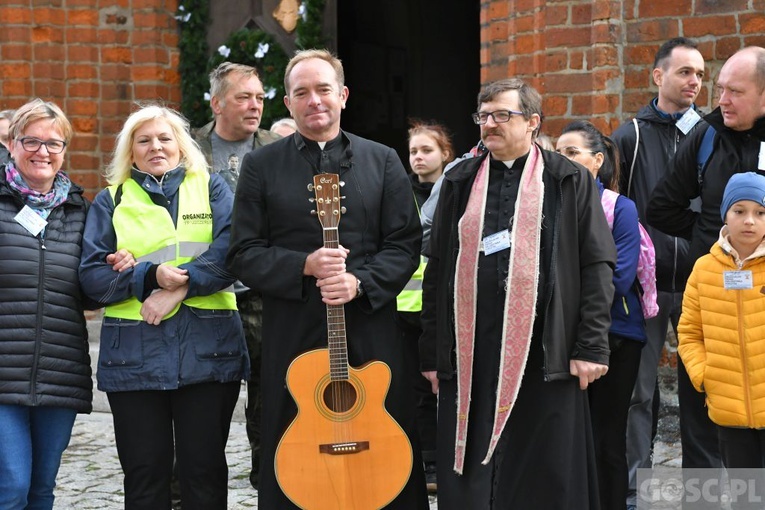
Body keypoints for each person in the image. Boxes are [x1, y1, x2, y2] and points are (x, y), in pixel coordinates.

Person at [227, 48, 429, 509]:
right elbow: (242, 252)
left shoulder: (382, 161)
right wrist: (303, 265)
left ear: (343, 95)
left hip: (371, 326)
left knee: (386, 444)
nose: (314, 100)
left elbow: (404, 243)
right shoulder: (262, 166)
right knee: (294, 447)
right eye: (302, 92)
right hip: (293, 329)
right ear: (288, 102)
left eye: (323, 90)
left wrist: (361, 282)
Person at [420, 78, 616, 509]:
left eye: (502, 115)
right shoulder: (459, 180)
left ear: (532, 122)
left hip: (547, 351)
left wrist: (591, 345)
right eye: (483, 116)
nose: (490, 124)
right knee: (471, 467)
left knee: (544, 469)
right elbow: (438, 271)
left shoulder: (569, 179)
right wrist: (434, 355)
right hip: (473, 349)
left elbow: (597, 265)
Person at [79, 105, 249, 508]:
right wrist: (150, 277)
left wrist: (178, 287)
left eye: (165, 138)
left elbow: (235, 252)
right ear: (130, 152)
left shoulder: (211, 188)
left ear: (181, 146)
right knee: (145, 476)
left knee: (204, 472)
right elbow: (92, 278)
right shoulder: (112, 200)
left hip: (208, 352)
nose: (155, 146)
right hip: (135, 358)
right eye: (144, 140)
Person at [648, 45, 765, 471]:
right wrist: (711, 241)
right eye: (720, 89)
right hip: (714, 301)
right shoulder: (708, 134)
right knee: (703, 423)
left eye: (735, 91)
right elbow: (661, 205)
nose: (721, 100)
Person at [610, 36, 706, 507]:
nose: (694, 82)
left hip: (698, 284)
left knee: (706, 391)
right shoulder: (628, 135)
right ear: (658, 76)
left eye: (700, 75)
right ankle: (634, 491)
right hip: (644, 287)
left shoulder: (710, 134)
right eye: (685, 72)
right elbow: (616, 210)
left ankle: (705, 493)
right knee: (638, 394)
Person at [0, 99, 96, 509]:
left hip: (60, 370)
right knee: (12, 487)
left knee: (42, 489)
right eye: (32, 141)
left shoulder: (80, 210)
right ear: (12, 145)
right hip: (3, 371)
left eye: (53, 144)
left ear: (64, 150)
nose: (43, 152)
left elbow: (90, 292)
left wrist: (117, 267)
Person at [193, 60, 281, 490]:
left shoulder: (278, 148)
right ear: (216, 103)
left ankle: (270, 480)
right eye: (243, 97)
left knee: (270, 396)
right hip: (207, 294)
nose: (255, 106)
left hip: (264, 293)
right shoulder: (187, 149)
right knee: (202, 399)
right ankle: (190, 487)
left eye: (260, 98)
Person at [557, 120, 646, 510]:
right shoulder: (546, 204)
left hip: (616, 334)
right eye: (557, 152)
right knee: (566, 437)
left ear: (597, 161)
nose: (562, 160)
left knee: (605, 437)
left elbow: (620, 277)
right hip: (560, 335)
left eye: (572, 152)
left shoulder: (619, 208)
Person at [678, 172, 765, 498]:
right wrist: (705, 375)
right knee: (748, 497)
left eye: (760, 212)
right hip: (728, 410)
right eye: (739, 211)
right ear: (724, 215)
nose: (749, 221)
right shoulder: (704, 269)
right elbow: (688, 332)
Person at [398, 119, 454, 492]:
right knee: (415, 392)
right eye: (414, 151)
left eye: (426, 150)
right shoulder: (399, 192)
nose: (418, 157)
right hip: (404, 307)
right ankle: (428, 465)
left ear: (445, 154)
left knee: (447, 387)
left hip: (444, 307)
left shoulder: (458, 190)